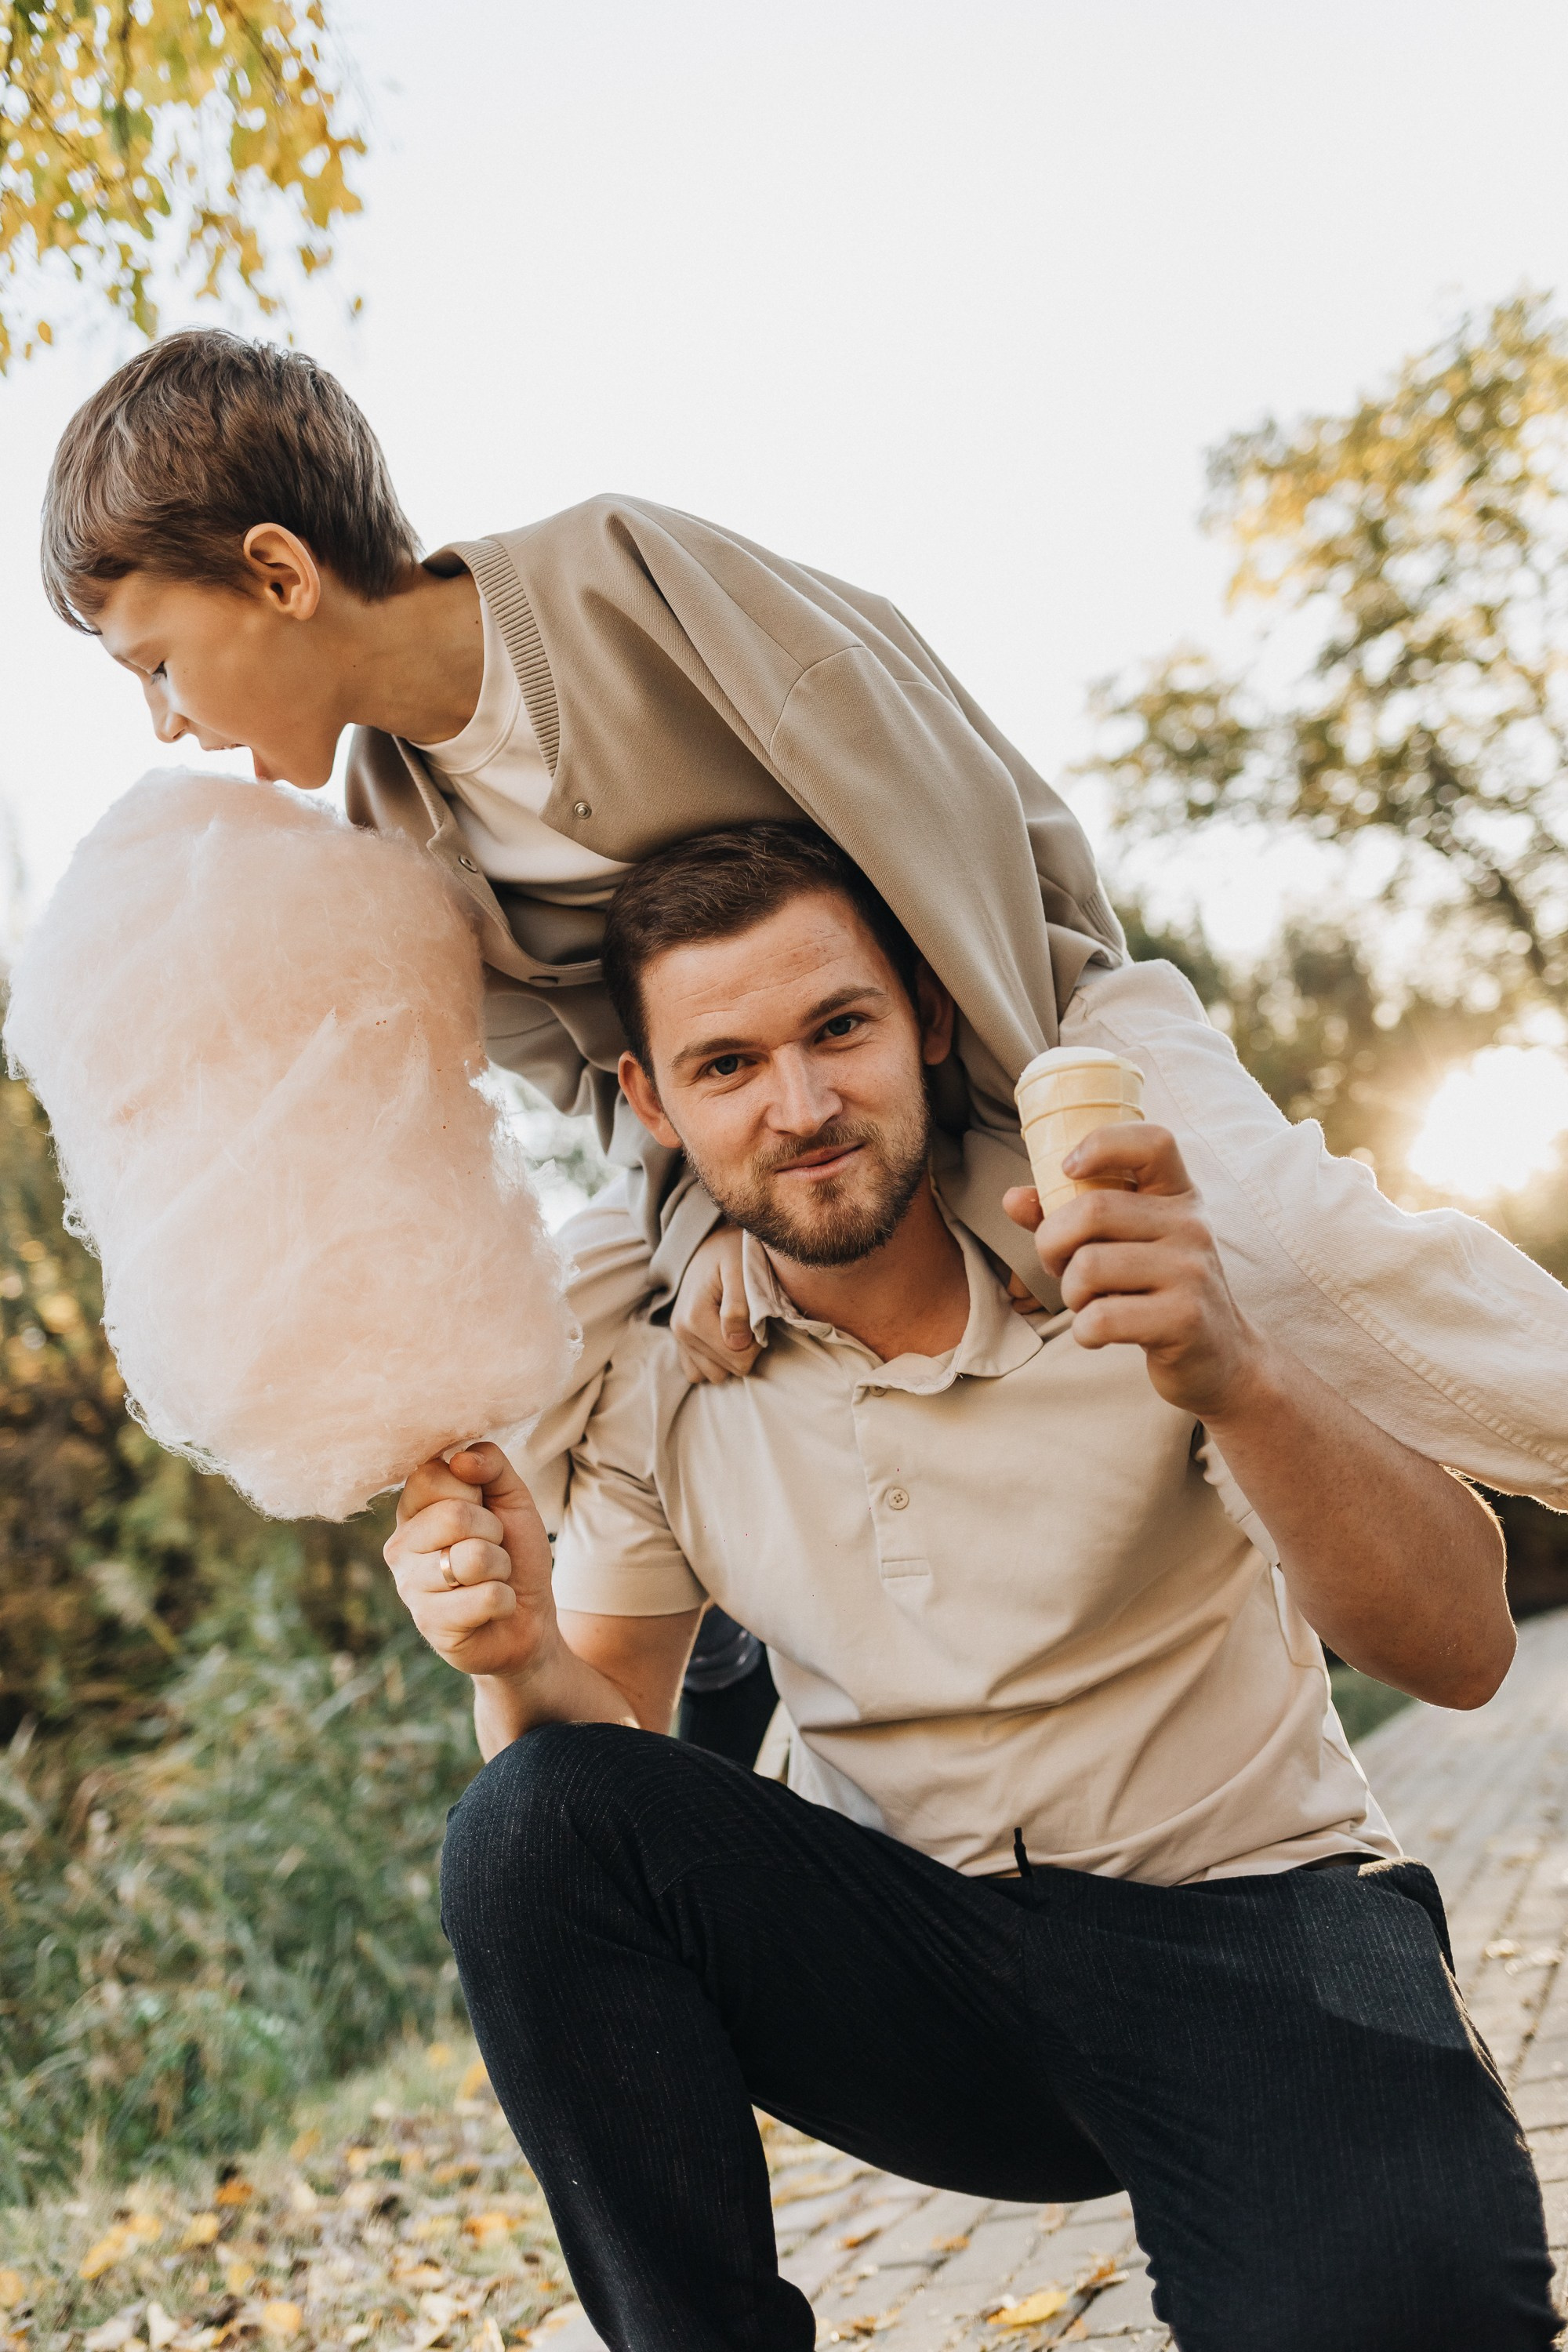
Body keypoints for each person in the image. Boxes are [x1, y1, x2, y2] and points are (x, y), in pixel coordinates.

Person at [38, 329, 1568, 1537]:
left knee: (1280, 1237)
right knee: (590, 1344)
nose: (164, 719)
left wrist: (1031, 1120)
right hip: (788, 1136)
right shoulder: (400, 840)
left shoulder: (624, 578)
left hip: (1033, 1017)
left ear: (280, 574)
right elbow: (593, 1073)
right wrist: (700, 1225)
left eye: (158, 661)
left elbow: (942, 808)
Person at [385, 825, 1555, 2351]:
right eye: (727, 1065)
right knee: (528, 1821)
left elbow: (1464, 1649)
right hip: (922, 1975)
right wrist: (512, 1647)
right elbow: (591, 1743)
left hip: (1268, 1926)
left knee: (1415, 2318)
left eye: (839, 1029)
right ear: (652, 1103)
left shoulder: (1133, 1250)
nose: (800, 1109)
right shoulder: (660, 1372)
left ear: (927, 1018)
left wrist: (1239, 1378)